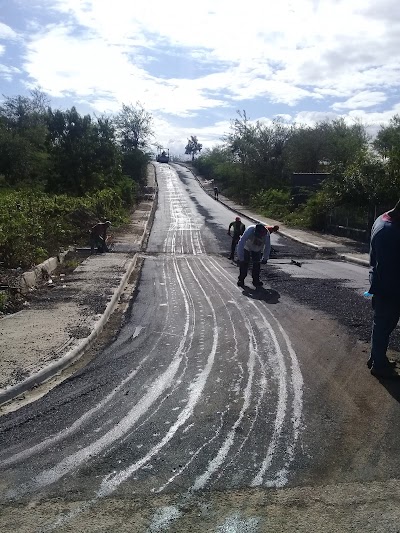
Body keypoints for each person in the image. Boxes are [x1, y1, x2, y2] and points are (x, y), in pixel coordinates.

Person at [367, 199, 400, 378]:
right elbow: (388, 268)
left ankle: (376, 358)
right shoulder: (389, 231)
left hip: (383, 283)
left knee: (383, 324)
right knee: (384, 324)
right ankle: (378, 364)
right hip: (388, 286)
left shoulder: (383, 218)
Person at [236, 223, 271, 288]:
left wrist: (265, 258)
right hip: (247, 246)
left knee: (257, 264)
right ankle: (241, 279)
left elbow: (267, 246)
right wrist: (241, 257)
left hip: (257, 249)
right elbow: (241, 242)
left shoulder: (266, 234)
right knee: (244, 263)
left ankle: (256, 280)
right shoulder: (250, 230)